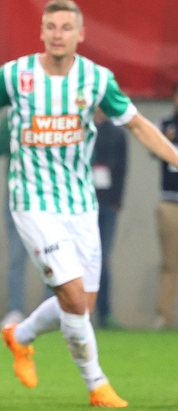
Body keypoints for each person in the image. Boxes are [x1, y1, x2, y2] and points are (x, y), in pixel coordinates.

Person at [0, 0, 178, 407]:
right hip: (31, 201)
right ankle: (96, 383)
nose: (58, 34)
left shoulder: (97, 80)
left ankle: (21, 335)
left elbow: (137, 124)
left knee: (83, 300)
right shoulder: (16, 75)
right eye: (51, 26)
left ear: (80, 34)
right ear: (42, 32)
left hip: (82, 203)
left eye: (67, 27)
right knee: (71, 294)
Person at [92, 107, 127, 328]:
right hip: (82, 203)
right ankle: (75, 312)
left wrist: (116, 201)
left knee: (101, 259)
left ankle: (104, 312)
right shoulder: (81, 130)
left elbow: (122, 169)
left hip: (106, 203)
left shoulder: (117, 134)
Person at [0, 118, 28, 328]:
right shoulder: (13, 115)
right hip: (16, 197)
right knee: (16, 258)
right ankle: (15, 309)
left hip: (49, 196)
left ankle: (55, 308)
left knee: (53, 257)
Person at [154, 83, 178, 327]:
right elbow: (154, 147)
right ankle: (164, 314)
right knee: (171, 262)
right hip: (171, 201)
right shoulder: (165, 125)